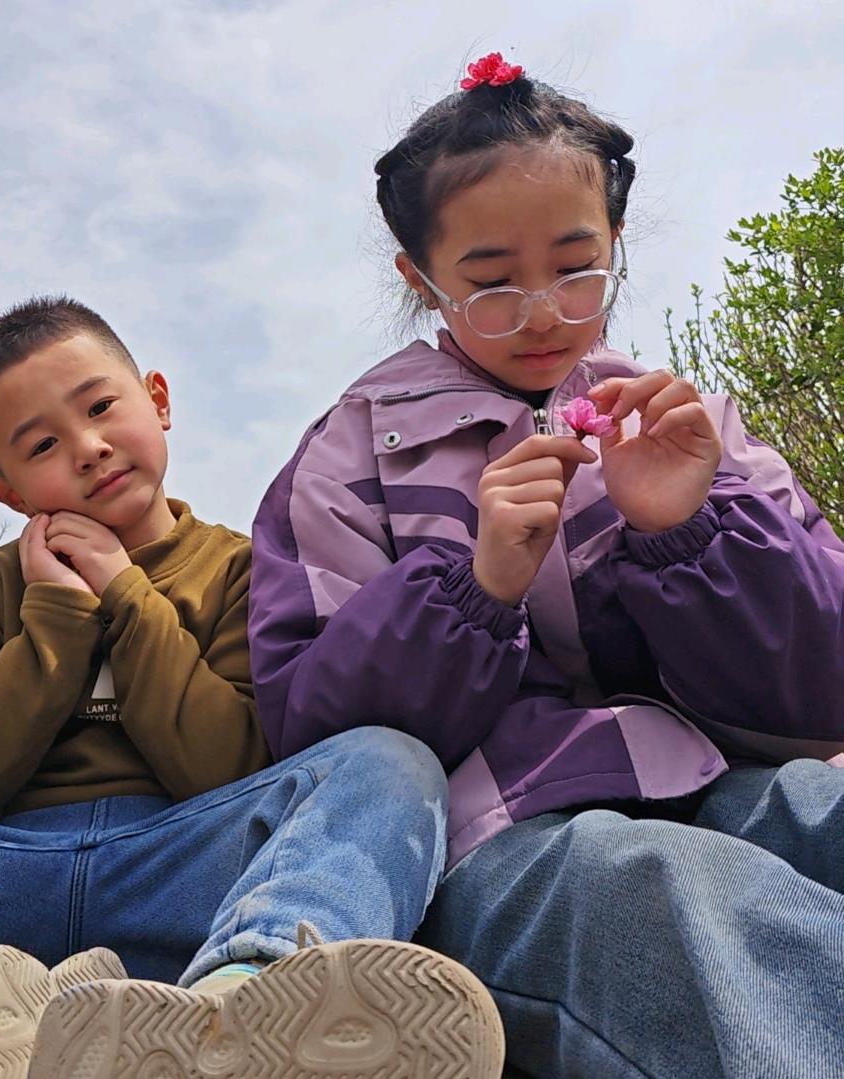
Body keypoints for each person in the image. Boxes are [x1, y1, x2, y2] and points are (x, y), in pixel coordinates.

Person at [249, 52, 844, 1078]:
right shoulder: (345, 455)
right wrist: (475, 591)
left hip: (722, 781)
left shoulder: (693, 426)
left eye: (574, 267)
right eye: (488, 283)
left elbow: (821, 688)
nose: (538, 309)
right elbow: (316, 733)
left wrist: (686, 532)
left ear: (616, 240)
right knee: (654, 885)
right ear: (419, 277)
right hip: (500, 841)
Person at [0, 296, 505, 1079]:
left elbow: (226, 767)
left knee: (387, 761)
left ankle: (244, 1001)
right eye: (43, 444)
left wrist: (126, 593)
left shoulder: (245, 568)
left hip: (184, 860)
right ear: (8, 492)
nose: (87, 448)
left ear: (157, 399)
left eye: (100, 406)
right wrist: (54, 616)